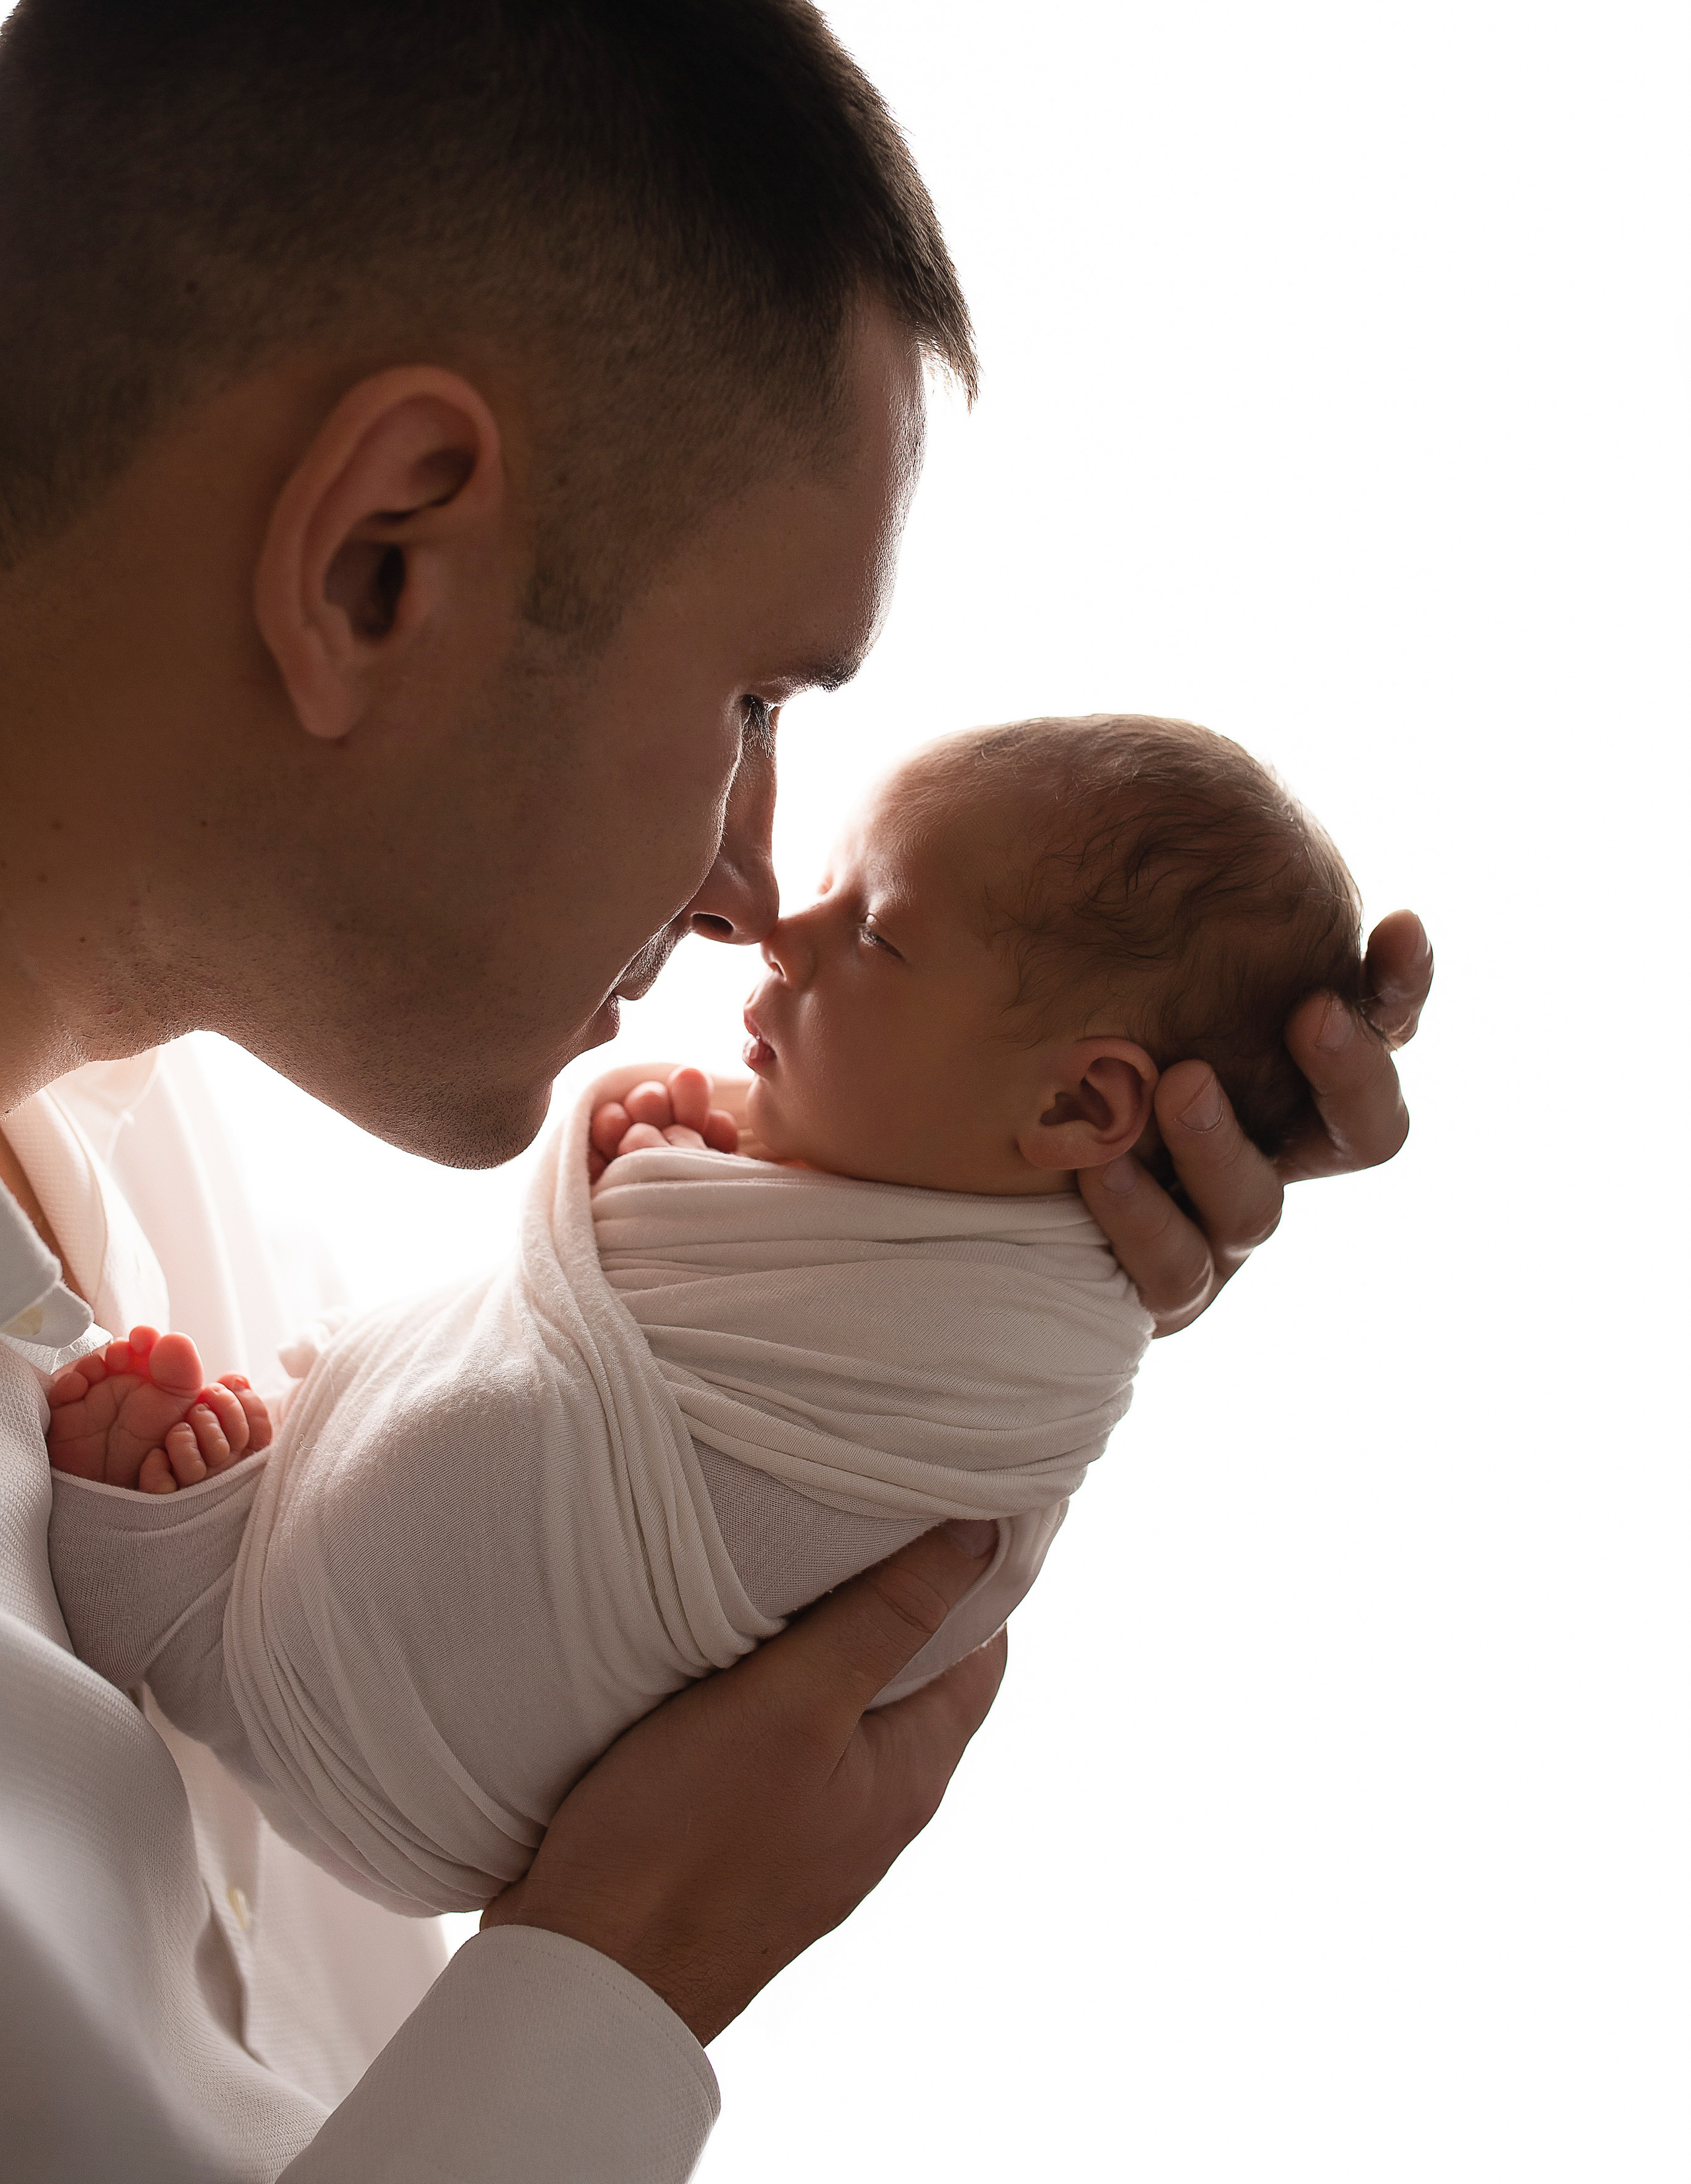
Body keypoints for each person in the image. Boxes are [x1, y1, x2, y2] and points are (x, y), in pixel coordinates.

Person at [0, 0, 1432, 2184]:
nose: (756, 892)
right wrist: (628, 1967)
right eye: (757, 697)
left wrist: (952, 1301)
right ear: (378, 562)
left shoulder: (197, 1171)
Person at [41, 712, 1381, 1936]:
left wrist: (656, 1184)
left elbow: (830, 1463)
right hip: (398, 1773)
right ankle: (215, 1566)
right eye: (743, 702)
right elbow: (680, 1299)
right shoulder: (940, 1261)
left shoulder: (1008, 1356)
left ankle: (187, 1595)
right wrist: (671, 1177)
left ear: (1084, 1109)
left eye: (876, 933)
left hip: (419, 1769)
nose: (778, 923)